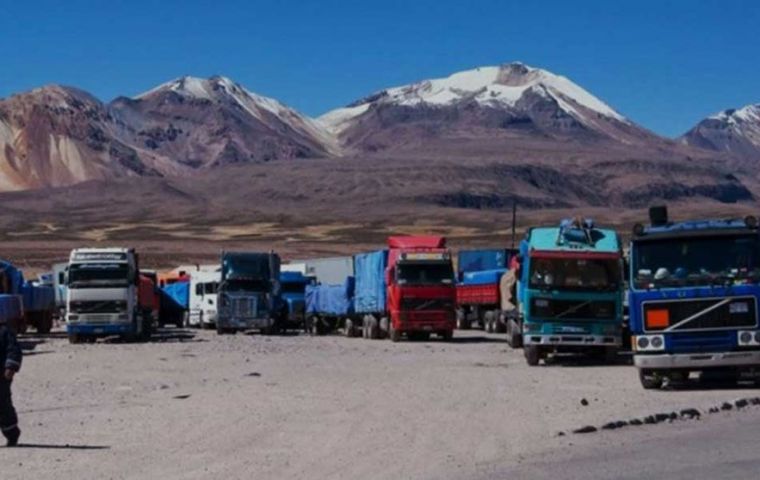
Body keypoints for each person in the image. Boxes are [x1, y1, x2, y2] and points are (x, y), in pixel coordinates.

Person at [0, 321, 22, 447]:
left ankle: (12, 432)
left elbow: (14, 350)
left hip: (2, 377)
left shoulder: (5, 332)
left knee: (3, 405)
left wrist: (11, 367)